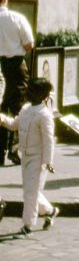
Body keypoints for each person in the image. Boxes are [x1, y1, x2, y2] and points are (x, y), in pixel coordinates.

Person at [0, 78, 58, 236]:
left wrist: (48, 162)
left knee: (30, 193)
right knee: (30, 191)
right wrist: (3, 119)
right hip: (25, 157)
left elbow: (48, 141)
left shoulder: (44, 115)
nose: (28, 93)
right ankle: (51, 211)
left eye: (31, 90)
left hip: (38, 159)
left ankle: (28, 225)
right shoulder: (26, 109)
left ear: (41, 95)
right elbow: (14, 125)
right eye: (28, 90)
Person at [0, 0, 34, 166]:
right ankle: (14, 150)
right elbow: (29, 44)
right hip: (15, 64)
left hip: (0, 64)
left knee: (1, 107)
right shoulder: (16, 18)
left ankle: (0, 150)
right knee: (17, 107)